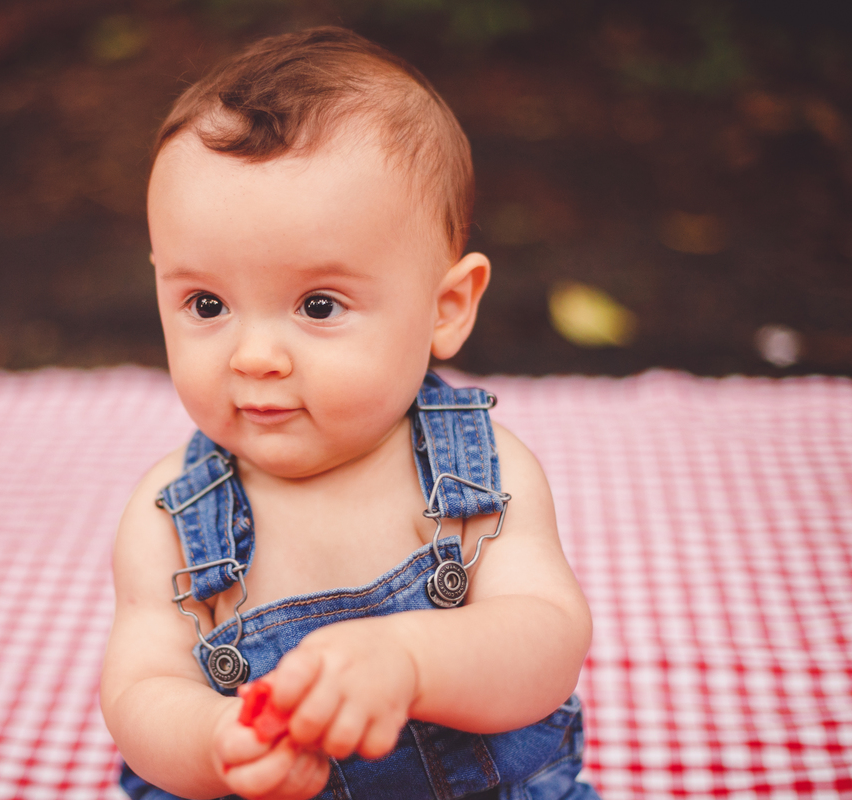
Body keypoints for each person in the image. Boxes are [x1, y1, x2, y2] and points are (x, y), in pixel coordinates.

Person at [100, 26, 599, 800]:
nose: (253, 355)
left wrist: (410, 661)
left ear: (446, 308)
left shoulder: (480, 474)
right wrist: (213, 741)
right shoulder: (168, 515)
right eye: (207, 303)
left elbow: (547, 639)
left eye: (319, 305)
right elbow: (139, 689)